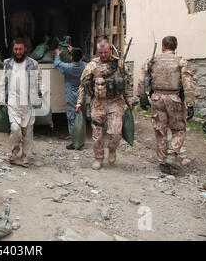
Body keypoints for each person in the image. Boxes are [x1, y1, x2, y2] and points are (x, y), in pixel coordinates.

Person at [137, 36, 195, 174]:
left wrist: (142, 97)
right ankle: (172, 153)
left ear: (163, 46)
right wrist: (190, 103)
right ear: (175, 46)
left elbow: (141, 79)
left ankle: (163, 161)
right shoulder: (181, 61)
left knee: (160, 130)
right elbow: (188, 83)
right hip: (174, 98)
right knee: (179, 129)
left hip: (157, 98)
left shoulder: (152, 60)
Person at [75, 38, 133, 170]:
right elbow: (82, 85)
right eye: (100, 52)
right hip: (98, 102)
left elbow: (127, 83)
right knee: (97, 134)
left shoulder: (119, 64)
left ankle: (112, 149)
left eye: (105, 52)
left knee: (116, 132)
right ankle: (98, 158)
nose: (103, 55)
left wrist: (129, 99)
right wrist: (79, 102)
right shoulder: (92, 65)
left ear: (110, 50)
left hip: (115, 102)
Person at [0, 38, 43, 168]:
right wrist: (1, 99)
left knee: (28, 132)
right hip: (13, 103)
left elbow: (40, 79)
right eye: (15, 49)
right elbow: (2, 82)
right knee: (15, 129)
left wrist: (41, 91)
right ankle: (15, 148)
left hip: (28, 104)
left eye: (20, 49)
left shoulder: (33, 64)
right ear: (13, 49)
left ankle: (25, 156)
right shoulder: (8, 63)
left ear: (25, 49)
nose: (17, 52)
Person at [54, 45, 86, 149]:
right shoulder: (84, 66)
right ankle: (81, 139)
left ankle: (75, 142)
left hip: (72, 98)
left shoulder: (68, 68)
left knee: (72, 120)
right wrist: (74, 52)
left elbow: (57, 64)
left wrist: (58, 55)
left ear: (71, 57)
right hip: (82, 97)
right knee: (81, 119)